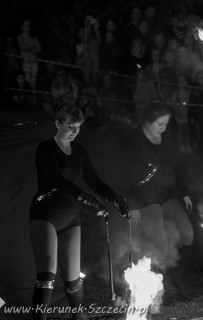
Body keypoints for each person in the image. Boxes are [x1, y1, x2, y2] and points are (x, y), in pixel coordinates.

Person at [30, 99, 129, 320]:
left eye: (79, 127)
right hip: (45, 213)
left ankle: (78, 316)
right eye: (70, 127)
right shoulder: (45, 149)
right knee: (47, 274)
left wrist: (115, 198)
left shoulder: (80, 151)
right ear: (58, 124)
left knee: (73, 278)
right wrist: (87, 199)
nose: (75, 132)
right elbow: (56, 180)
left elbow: (94, 181)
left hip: (70, 216)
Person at [126, 103, 193, 304]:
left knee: (187, 234)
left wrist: (185, 192)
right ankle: (163, 286)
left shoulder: (167, 139)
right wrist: (133, 205)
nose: (163, 128)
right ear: (148, 121)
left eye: (166, 124)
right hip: (146, 197)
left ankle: (177, 277)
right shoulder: (134, 140)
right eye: (160, 124)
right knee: (161, 243)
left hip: (167, 193)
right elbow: (126, 176)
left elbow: (177, 165)